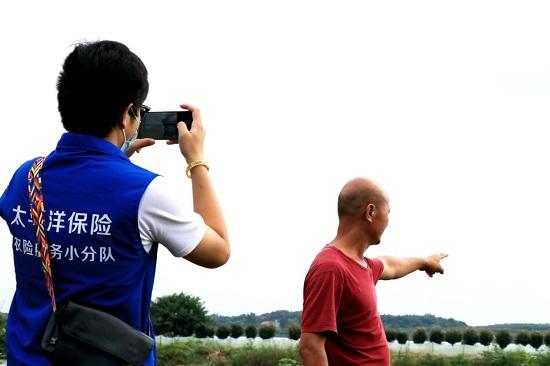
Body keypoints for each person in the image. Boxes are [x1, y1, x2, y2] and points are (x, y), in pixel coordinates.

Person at [0, 40, 230, 365]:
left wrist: (113, 160)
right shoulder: (145, 193)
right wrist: (196, 160)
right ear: (127, 114)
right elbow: (218, 250)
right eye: (141, 111)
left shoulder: (27, 176)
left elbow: (74, 198)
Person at [300, 177, 447, 366]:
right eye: (388, 212)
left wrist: (425, 261)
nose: (388, 220)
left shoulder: (362, 265)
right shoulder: (331, 268)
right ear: (370, 212)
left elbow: (391, 265)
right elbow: (310, 348)